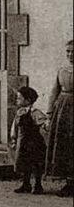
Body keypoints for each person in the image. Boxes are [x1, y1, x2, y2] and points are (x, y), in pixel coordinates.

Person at [45, 40, 73, 197]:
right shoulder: (61, 70)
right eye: (68, 52)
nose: (70, 55)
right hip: (62, 111)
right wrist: (49, 113)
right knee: (63, 144)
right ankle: (67, 182)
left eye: (73, 52)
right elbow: (54, 91)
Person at [10, 86, 48, 195]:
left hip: (34, 143)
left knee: (36, 163)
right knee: (24, 163)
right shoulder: (19, 113)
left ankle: (38, 185)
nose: (17, 100)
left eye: (19, 98)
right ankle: (26, 184)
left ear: (28, 100)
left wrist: (46, 125)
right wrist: (13, 139)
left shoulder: (35, 112)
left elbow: (43, 123)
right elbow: (15, 127)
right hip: (23, 143)